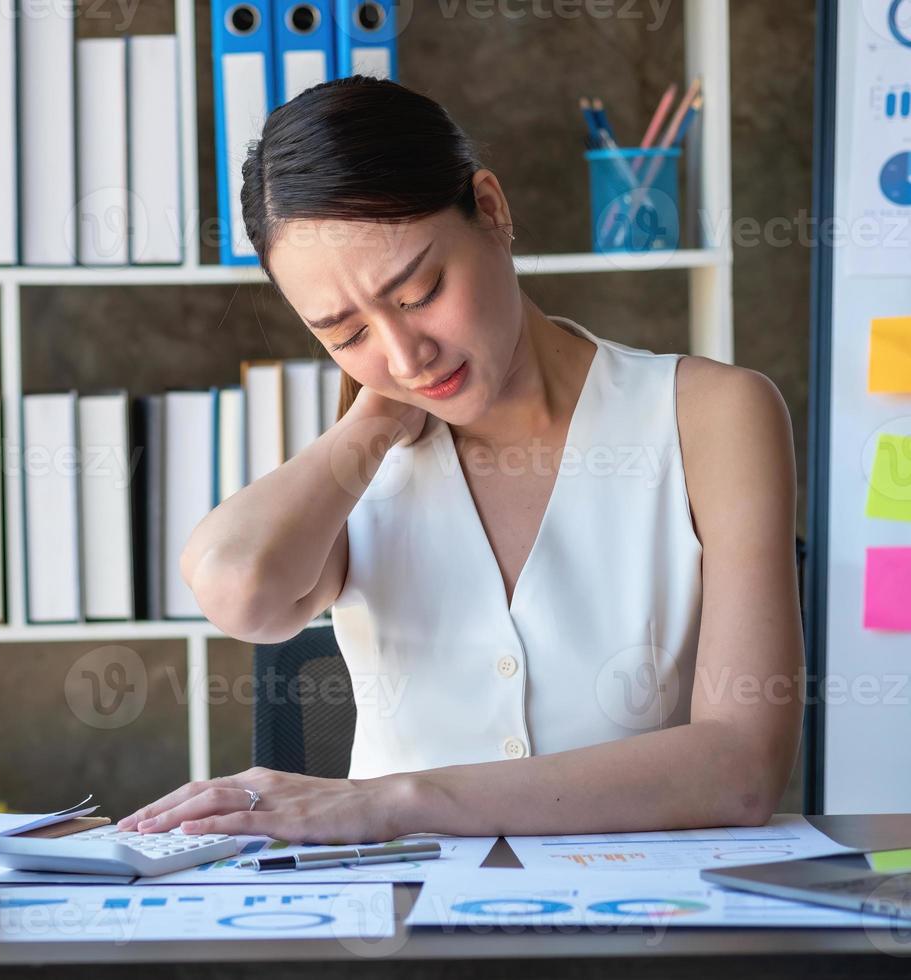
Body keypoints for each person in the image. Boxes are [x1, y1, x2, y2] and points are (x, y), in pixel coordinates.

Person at [117, 77, 803, 843]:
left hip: (646, 924)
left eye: (418, 292)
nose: (406, 354)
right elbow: (238, 593)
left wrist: (394, 800)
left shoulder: (711, 416)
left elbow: (740, 766)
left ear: (492, 211)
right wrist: (371, 418)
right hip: (400, 934)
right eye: (346, 334)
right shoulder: (357, 467)